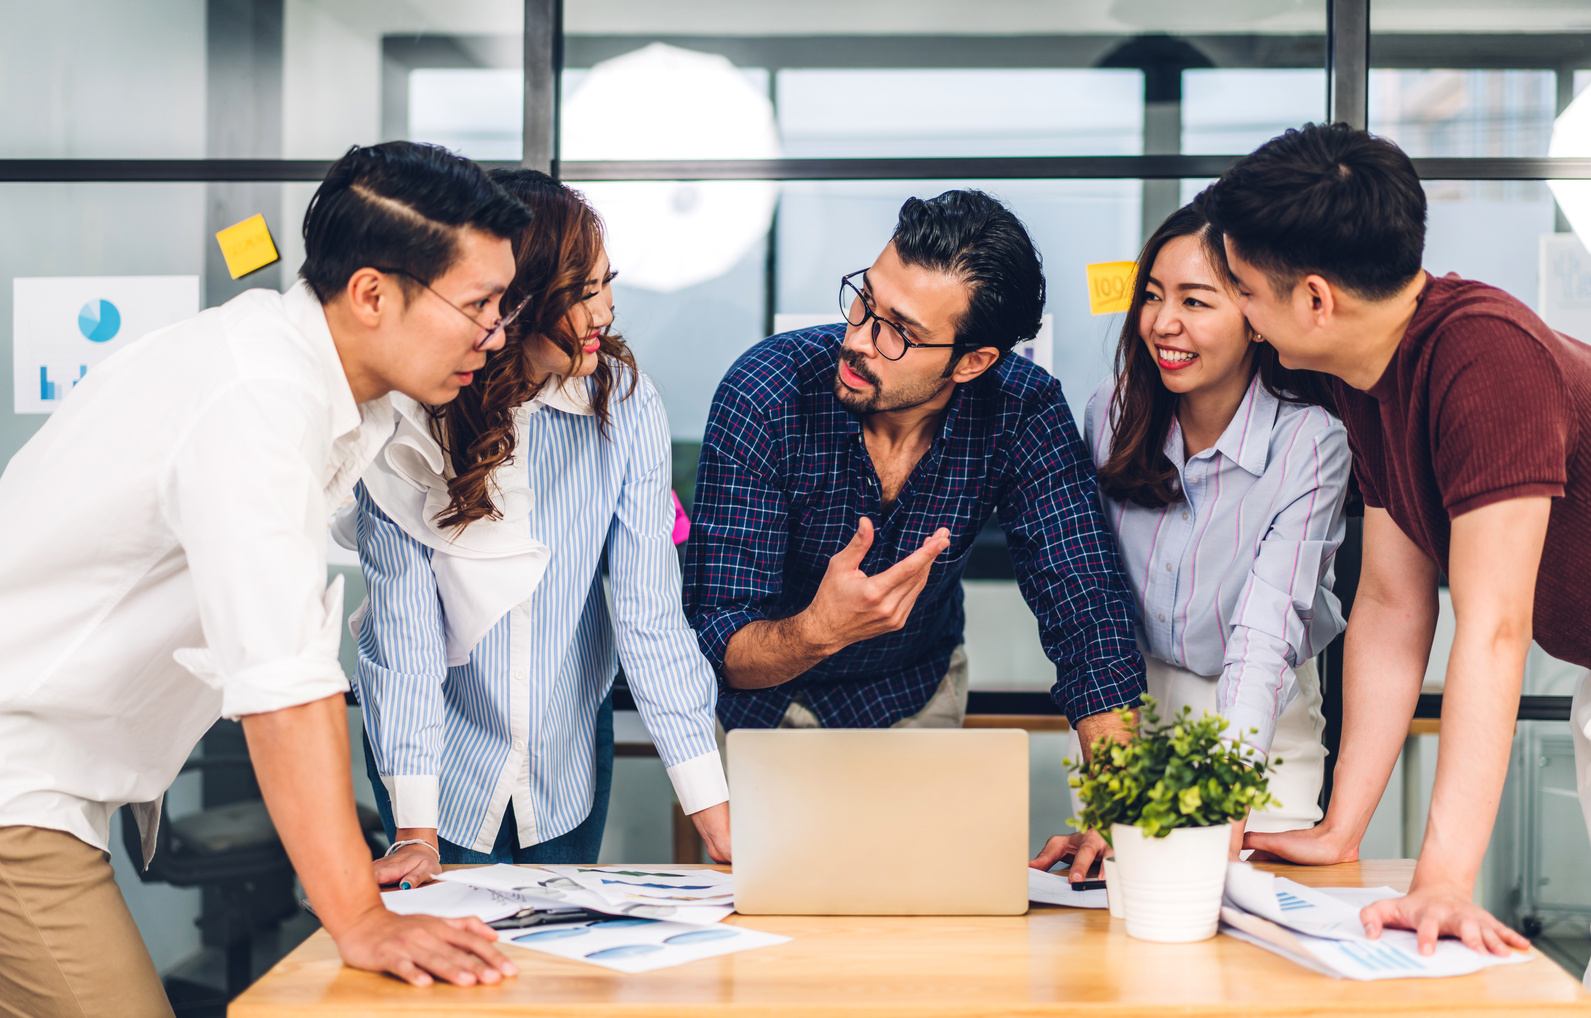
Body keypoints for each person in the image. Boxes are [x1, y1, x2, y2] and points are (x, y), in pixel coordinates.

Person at [0, 142, 530, 1016]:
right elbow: (282, 683)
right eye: (478, 304)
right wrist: (359, 918)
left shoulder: (302, 375)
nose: (495, 329)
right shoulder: (254, 398)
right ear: (370, 294)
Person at [1205, 122, 1591, 960]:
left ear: (1313, 299)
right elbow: (1390, 602)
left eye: (1240, 290)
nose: (1238, 311)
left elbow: (1492, 629)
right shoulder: (1368, 373)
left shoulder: (1485, 361)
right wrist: (1341, 827)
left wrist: (1444, 880)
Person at [352, 169, 730, 891]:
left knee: (560, 973)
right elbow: (404, 638)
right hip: (435, 749)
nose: (605, 312)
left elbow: (651, 616)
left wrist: (711, 806)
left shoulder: (623, 404)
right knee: (461, 988)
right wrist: (415, 834)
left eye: (605, 284)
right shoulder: (409, 413)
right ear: (510, 303)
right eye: (580, 293)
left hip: (567, 747)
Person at [683, 189, 1146, 756]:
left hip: (912, 697)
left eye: (899, 332)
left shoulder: (1022, 408)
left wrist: (1121, 795)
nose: (856, 340)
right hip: (761, 703)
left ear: (972, 362)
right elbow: (716, 636)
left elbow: (1084, 598)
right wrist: (819, 630)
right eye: (865, 301)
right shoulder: (766, 390)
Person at [1031, 198, 1351, 880]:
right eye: (1151, 296)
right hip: (1129, 710)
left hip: (1258, 722)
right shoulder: (1111, 410)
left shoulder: (1308, 442)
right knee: (1124, 922)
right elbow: (1086, 590)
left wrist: (1229, 795)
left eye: (1195, 301)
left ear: (1255, 318)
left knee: (1249, 930)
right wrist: (1109, 778)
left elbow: (1266, 632)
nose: (1162, 322)